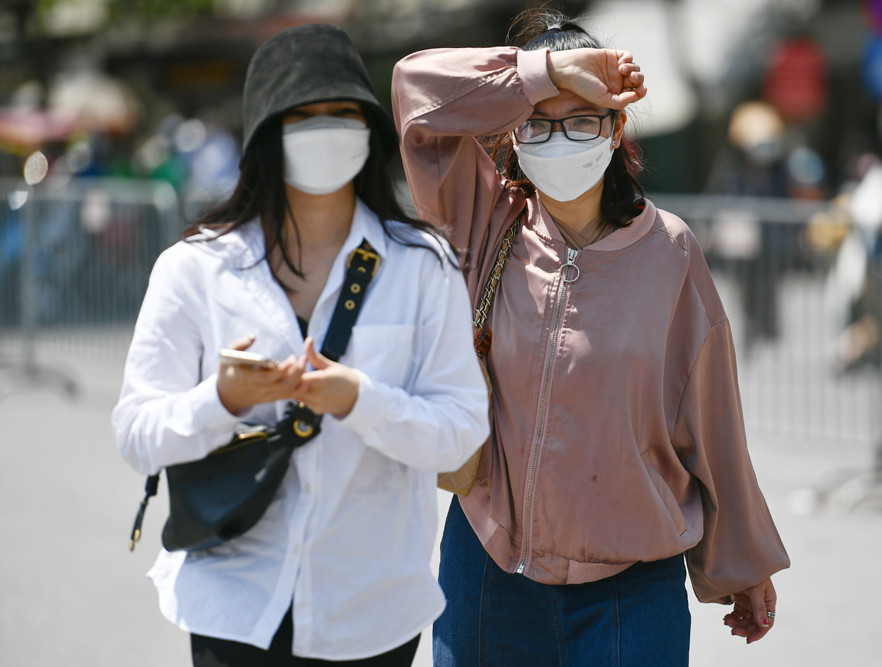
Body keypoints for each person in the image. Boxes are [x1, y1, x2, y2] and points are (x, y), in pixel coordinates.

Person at [391, 8, 790, 666]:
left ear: (616, 129)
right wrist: (545, 71)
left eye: (581, 119)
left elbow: (710, 415)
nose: (560, 139)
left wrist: (739, 561)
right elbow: (414, 91)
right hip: (491, 569)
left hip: (633, 585)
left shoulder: (669, 250)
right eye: (539, 124)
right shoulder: (484, 217)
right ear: (513, 136)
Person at [112, 24, 489, 666]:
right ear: (265, 132)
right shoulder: (194, 267)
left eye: (343, 113)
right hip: (233, 601)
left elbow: (460, 434)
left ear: (371, 129)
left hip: (371, 610)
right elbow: (137, 432)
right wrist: (221, 400)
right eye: (302, 115)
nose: (326, 130)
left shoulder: (423, 266)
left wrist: (362, 401)